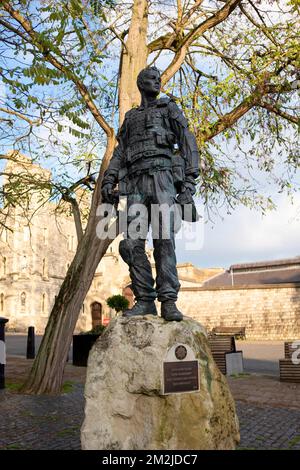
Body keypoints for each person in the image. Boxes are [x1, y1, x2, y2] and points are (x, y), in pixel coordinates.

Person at [101, 66, 200, 321]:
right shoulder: (131, 118)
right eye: (151, 79)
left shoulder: (169, 109)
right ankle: (144, 299)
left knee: (164, 240)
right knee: (130, 244)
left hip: (162, 178)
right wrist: (109, 179)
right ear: (140, 83)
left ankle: (168, 300)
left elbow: (188, 142)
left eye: (158, 79)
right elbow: (120, 152)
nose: (157, 82)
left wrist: (189, 182)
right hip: (134, 184)